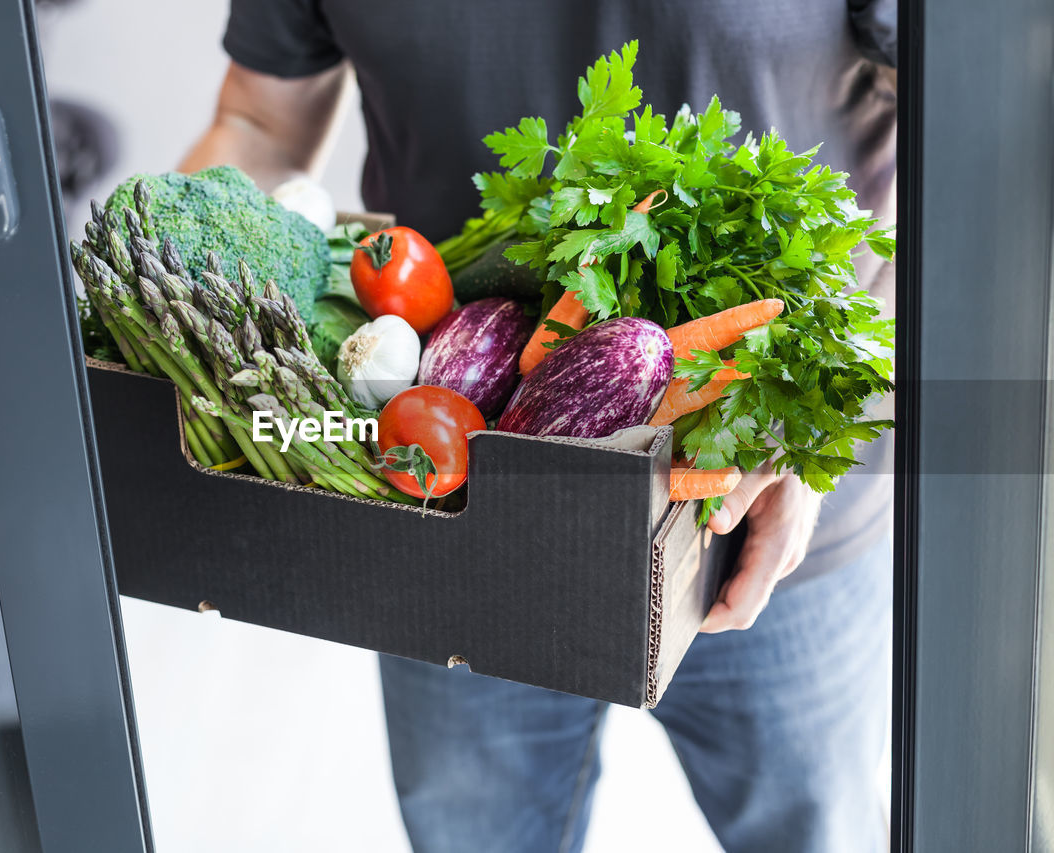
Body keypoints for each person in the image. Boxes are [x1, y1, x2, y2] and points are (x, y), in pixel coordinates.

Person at [183, 3, 897, 851]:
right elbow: (261, 120)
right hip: (449, 513)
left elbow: (963, 139)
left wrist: (806, 412)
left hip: (755, 515)